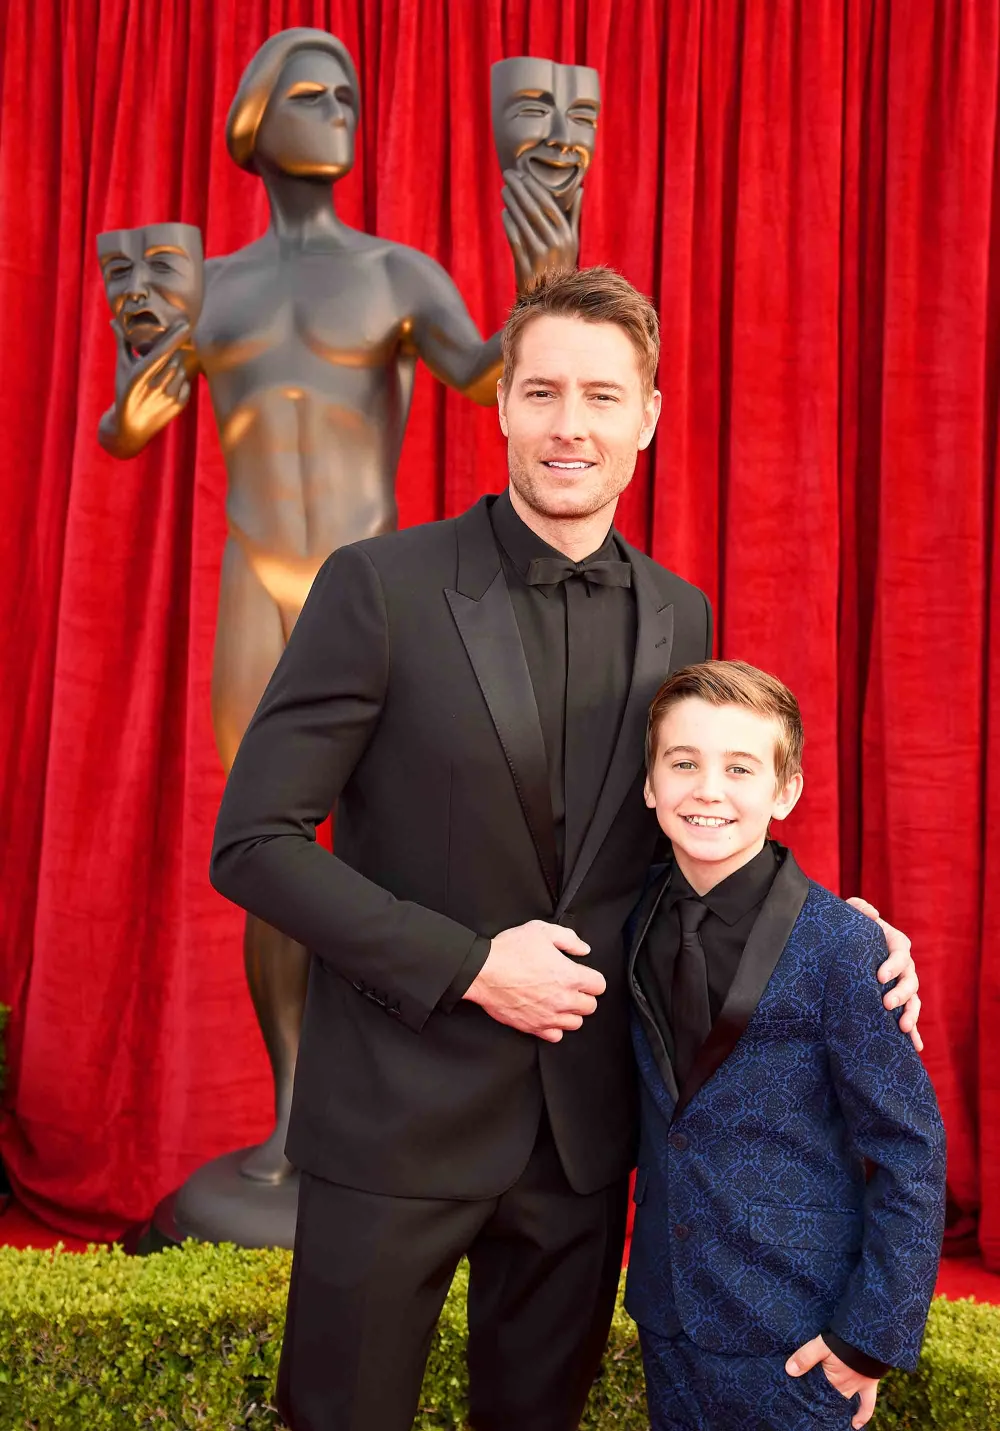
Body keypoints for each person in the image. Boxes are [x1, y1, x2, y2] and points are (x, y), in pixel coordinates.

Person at [209, 266, 921, 1431]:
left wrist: (843, 932)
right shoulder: (378, 587)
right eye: (541, 392)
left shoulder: (682, 613)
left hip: (582, 1139)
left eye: (602, 396)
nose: (569, 425)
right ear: (500, 404)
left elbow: (690, 837)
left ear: (648, 417)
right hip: (393, 1116)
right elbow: (253, 845)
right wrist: (469, 965)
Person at [98, 26, 580, 1185]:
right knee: (269, 852)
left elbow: (487, 375)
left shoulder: (397, 275)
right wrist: (135, 404)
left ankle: (392, 1116)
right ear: (254, 121)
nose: (341, 112)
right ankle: (291, 1117)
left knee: (393, 848)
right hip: (256, 589)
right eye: (314, 94)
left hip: (371, 594)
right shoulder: (209, 284)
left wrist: (545, 280)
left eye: (350, 96)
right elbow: (126, 427)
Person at [626, 660, 945, 1431]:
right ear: (650, 785)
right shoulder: (630, 917)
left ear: (786, 790)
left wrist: (867, 1339)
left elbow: (911, 1147)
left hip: (798, 1331)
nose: (708, 789)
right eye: (683, 763)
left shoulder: (844, 945)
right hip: (668, 1317)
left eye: (740, 767)